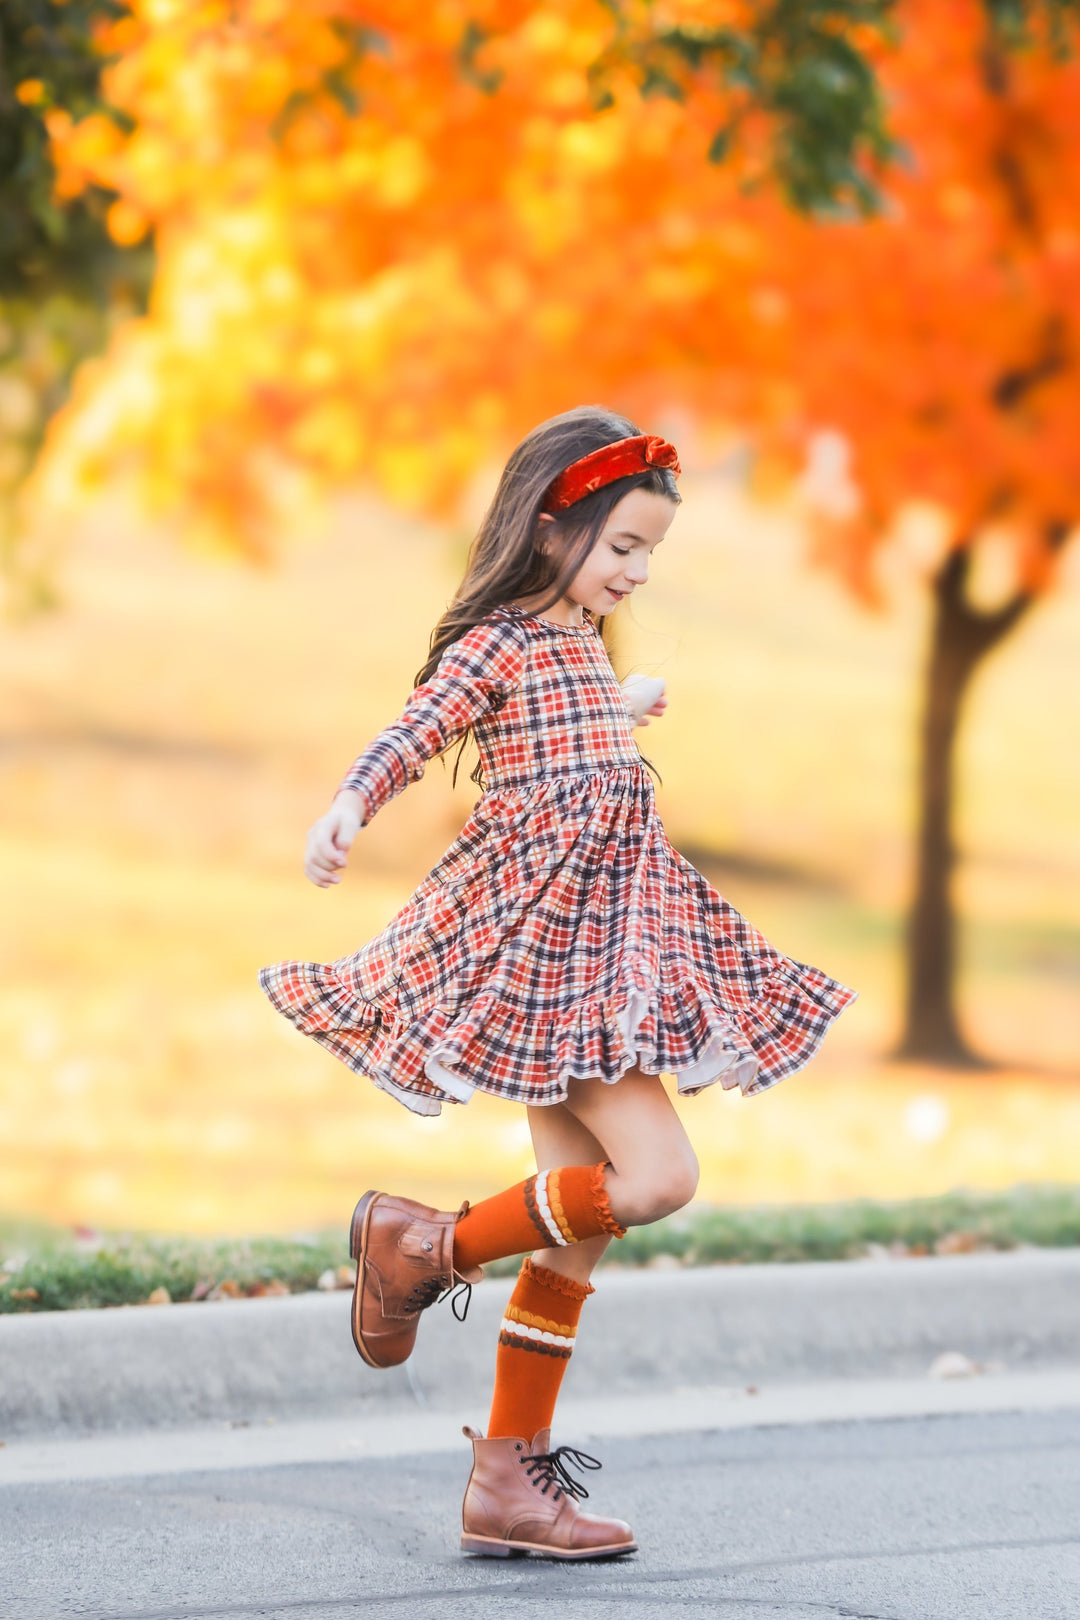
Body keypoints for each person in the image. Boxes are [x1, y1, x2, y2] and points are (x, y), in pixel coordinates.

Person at [259, 405, 856, 1560]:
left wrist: (613, 711)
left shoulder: (581, 647)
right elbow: (418, 729)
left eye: (651, 553)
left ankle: (504, 1483)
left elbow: (561, 748)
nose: (637, 572)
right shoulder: (499, 641)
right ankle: (423, 1245)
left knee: (573, 1235)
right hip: (549, 958)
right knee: (659, 1177)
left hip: (604, 958)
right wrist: (346, 804)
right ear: (549, 532)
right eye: (623, 547)